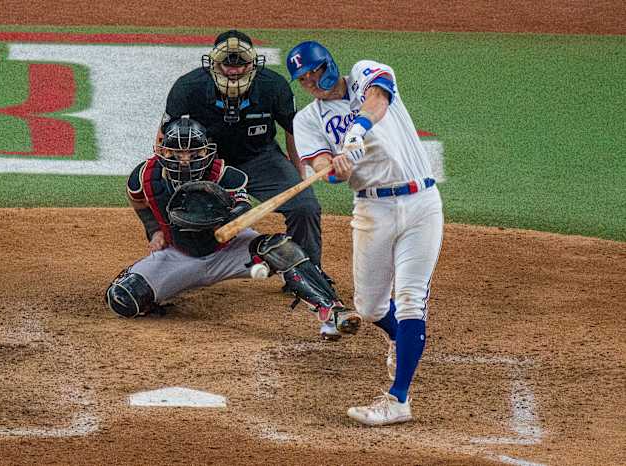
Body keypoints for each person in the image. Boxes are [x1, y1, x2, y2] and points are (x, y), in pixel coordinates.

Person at [286, 41, 444, 426]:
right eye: (303, 79)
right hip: (373, 208)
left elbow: (377, 101)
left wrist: (356, 131)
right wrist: (336, 165)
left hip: (421, 200)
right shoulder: (307, 120)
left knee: (409, 298)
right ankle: (396, 337)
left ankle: (398, 398)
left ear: (330, 64)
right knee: (371, 307)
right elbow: (327, 167)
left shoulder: (363, 73)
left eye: (316, 71)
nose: (312, 81)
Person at [105, 116, 360, 340]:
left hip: (228, 249)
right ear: (163, 153)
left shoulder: (225, 174)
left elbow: (243, 204)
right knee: (122, 298)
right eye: (176, 154)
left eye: (194, 154)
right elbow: (136, 199)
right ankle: (161, 291)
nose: (185, 161)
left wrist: (231, 214)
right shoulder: (145, 176)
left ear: (207, 152)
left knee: (280, 247)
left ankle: (332, 309)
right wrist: (154, 230)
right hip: (178, 255)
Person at [157, 30, 339, 339]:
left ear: (252, 63)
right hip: (207, 164)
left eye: (240, 63)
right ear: (213, 63)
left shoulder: (273, 86)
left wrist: (298, 177)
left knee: (305, 206)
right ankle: (176, 262)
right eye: (227, 62)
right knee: (183, 208)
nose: (233, 68)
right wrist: (170, 174)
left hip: (260, 159)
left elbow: (293, 133)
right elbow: (165, 135)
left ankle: (309, 273)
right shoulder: (188, 87)